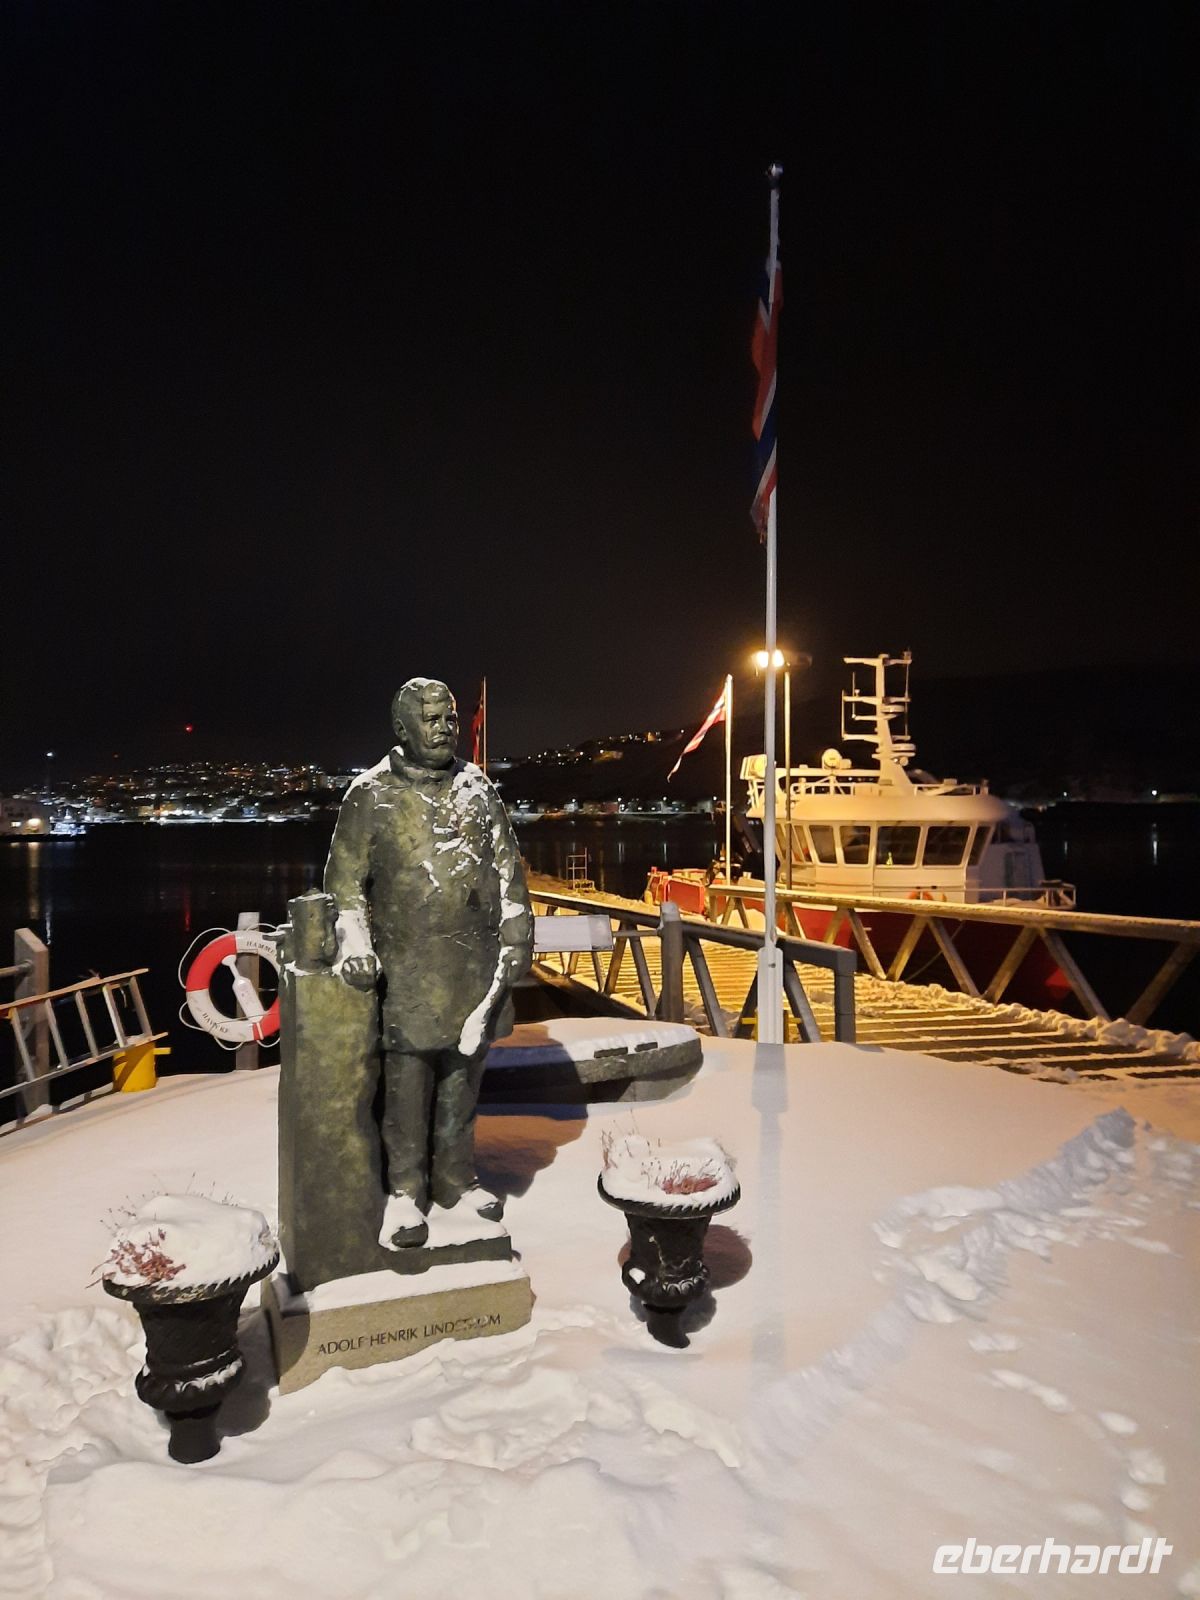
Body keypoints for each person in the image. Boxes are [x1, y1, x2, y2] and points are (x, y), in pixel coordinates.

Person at [324, 678, 533, 1249]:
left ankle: (456, 1181)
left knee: (463, 1080)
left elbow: (509, 871)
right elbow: (343, 888)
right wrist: (356, 944)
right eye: (432, 719)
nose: (444, 728)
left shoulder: (477, 787)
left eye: (450, 717)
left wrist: (517, 935)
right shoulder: (369, 795)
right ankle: (404, 1192)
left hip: (473, 966)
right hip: (407, 969)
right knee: (407, 1086)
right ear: (402, 728)